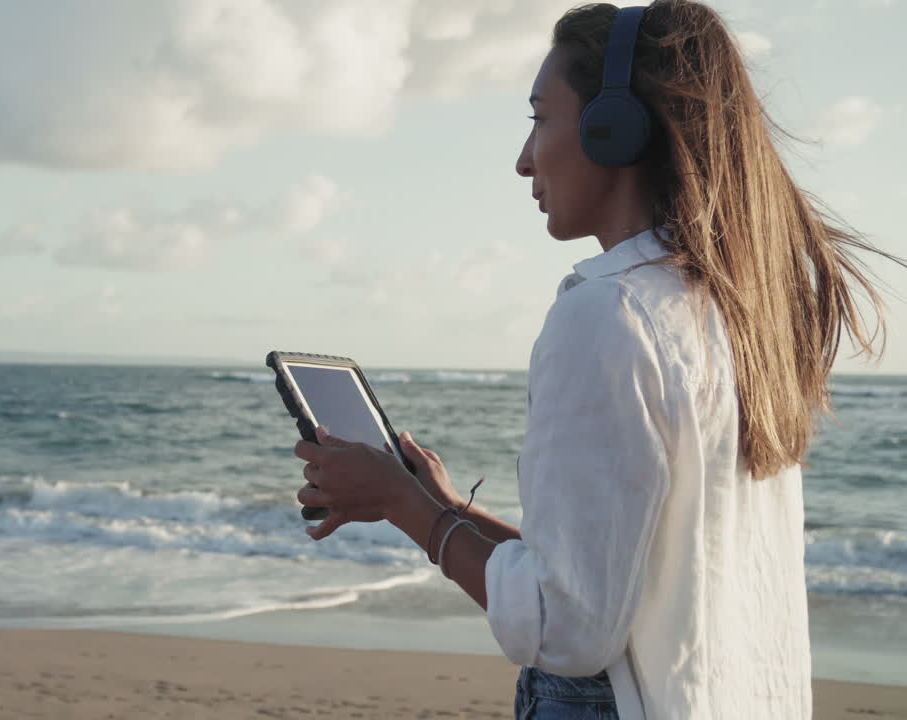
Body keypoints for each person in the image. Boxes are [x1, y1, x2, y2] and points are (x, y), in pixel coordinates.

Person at [292, 2, 905, 718]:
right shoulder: (734, 313)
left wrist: (400, 504)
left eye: (539, 119)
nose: (523, 159)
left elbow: (567, 628)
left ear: (614, 128)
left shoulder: (609, 313)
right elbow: (624, 576)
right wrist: (449, 508)